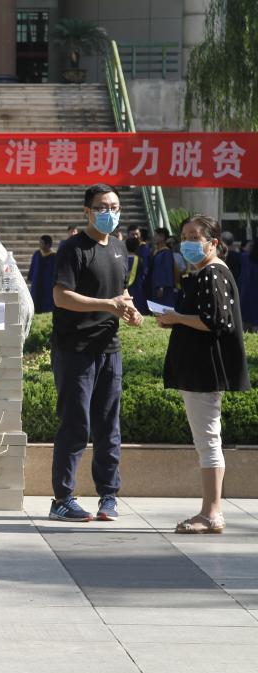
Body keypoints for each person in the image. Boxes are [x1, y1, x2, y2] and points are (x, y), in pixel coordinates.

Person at [49, 184, 142, 522]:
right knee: (76, 424)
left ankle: (109, 495)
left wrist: (130, 310)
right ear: (87, 211)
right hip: (75, 349)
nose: (109, 213)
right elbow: (61, 296)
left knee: (108, 426)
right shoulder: (72, 248)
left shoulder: (119, 247)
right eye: (102, 207)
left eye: (114, 207)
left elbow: (121, 292)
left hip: (109, 348)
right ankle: (62, 498)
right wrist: (108, 305)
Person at [154, 216, 250, 534]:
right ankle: (211, 512)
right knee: (207, 440)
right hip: (199, 368)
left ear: (213, 242)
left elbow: (215, 320)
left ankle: (211, 513)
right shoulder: (206, 272)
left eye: (195, 236)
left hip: (204, 370)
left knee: (208, 441)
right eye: (184, 236)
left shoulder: (213, 272)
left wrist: (176, 317)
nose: (188, 242)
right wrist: (176, 319)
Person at [149, 228, 178, 308]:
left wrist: (161, 286)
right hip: (156, 285)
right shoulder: (157, 252)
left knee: (164, 309)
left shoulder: (166, 253)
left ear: (162, 237)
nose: (154, 237)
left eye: (156, 235)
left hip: (163, 289)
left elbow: (166, 271)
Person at [27, 235, 56, 313]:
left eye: (42, 243)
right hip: (37, 281)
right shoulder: (37, 254)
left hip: (48, 283)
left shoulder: (54, 256)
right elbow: (33, 266)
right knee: (36, 298)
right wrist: (30, 277)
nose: (40, 244)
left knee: (47, 299)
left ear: (48, 245)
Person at [126, 237, 148, 314]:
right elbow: (144, 274)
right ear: (137, 248)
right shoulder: (139, 260)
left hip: (123, 287)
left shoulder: (122, 259)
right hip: (136, 287)